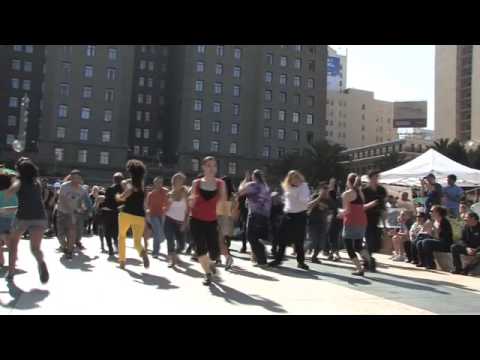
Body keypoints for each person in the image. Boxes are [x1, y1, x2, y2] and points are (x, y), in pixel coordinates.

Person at [4, 158, 49, 283]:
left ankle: (11, 272)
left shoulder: (19, 182)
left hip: (22, 218)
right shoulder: (37, 182)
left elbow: (9, 193)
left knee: (13, 245)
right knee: (35, 248)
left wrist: (13, 181)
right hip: (39, 216)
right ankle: (41, 262)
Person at [189, 157, 226, 285]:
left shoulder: (221, 183)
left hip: (212, 221)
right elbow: (192, 201)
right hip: (196, 220)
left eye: (214, 166)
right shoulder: (196, 183)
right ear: (203, 167)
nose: (211, 168)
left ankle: (210, 264)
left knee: (215, 252)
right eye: (208, 165)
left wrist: (223, 223)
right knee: (201, 249)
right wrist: (190, 201)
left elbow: (223, 203)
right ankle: (207, 274)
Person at [269, 170, 311, 270]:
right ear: (290, 180)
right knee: (281, 238)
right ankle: (278, 259)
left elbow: (304, 200)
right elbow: (287, 200)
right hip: (288, 214)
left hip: (300, 214)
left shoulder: (304, 186)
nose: (295, 180)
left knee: (299, 240)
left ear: (299, 177)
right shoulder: (287, 186)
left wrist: (297, 191)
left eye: (296, 178)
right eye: (292, 179)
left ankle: (301, 262)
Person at [340, 173, 378, 276]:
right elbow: (361, 207)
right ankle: (370, 260)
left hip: (351, 222)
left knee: (349, 246)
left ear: (348, 181)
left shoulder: (346, 194)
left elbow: (346, 211)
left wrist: (339, 213)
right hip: (362, 222)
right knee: (358, 246)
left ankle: (359, 269)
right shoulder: (360, 193)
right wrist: (371, 204)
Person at [116, 160, 150, 270]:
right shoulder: (142, 187)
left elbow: (122, 198)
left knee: (121, 237)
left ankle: (122, 261)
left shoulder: (130, 186)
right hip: (140, 216)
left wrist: (118, 196)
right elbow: (144, 203)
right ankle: (142, 253)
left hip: (126, 214)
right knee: (137, 242)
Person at [238, 170, 271, 268]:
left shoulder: (253, 185)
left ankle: (262, 261)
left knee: (251, 238)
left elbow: (240, 191)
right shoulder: (266, 187)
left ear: (253, 176)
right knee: (256, 238)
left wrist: (245, 179)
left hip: (254, 215)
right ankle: (261, 259)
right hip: (265, 216)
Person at [56, 170, 90, 259]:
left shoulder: (82, 190)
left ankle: (70, 250)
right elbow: (62, 200)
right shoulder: (64, 186)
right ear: (70, 177)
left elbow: (81, 202)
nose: (75, 180)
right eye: (73, 177)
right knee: (60, 234)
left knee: (72, 231)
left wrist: (82, 209)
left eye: (77, 178)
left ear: (80, 179)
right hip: (62, 212)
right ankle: (64, 246)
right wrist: (70, 210)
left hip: (73, 213)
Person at [163, 173, 189, 268]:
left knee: (182, 245)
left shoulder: (186, 193)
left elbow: (188, 209)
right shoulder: (169, 194)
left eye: (180, 180)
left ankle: (175, 255)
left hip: (181, 221)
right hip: (169, 219)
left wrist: (185, 222)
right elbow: (165, 209)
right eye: (176, 180)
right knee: (170, 239)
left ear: (183, 182)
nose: (178, 181)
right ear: (173, 181)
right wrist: (167, 205)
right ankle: (171, 259)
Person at [416, 205, 453, 270]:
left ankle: (431, 264)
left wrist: (433, 233)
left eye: (432, 211)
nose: (430, 213)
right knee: (419, 242)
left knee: (426, 242)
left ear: (438, 212)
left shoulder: (444, 222)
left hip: (445, 243)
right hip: (438, 240)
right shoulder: (435, 221)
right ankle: (423, 262)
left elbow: (440, 236)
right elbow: (433, 235)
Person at [307, 183, 336, 263]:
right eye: (324, 190)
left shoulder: (329, 200)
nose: (326, 193)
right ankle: (302, 253)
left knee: (321, 243)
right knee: (313, 241)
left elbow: (332, 211)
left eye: (327, 191)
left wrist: (328, 222)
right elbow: (308, 206)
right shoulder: (315, 196)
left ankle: (314, 257)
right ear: (320, 190)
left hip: (323, 224)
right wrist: (319, 198)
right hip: (313, 222)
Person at [362, 170, 387, 255]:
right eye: (374, 177)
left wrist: (385, 224)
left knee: (377, 243)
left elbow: (383, 206)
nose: (376, 179)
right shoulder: (364, 190)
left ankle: (368, 257)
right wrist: (370, 205)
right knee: (369, 239)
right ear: (369, 178)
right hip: (366, 217)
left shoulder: (381, 190)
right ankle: (368, 259)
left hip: (378, 218)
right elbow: (361, 206)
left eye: (377, 177)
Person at [101, 173, 124, 256]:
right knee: (115, 231)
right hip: (118, 213)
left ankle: (110, 248)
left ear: (113, 179)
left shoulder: (110, 189)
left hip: (108, 212)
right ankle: (115, 244)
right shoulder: (124, 190)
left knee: (107, 231)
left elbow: (106, 202)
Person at [216, 176, 235, 269]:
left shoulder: (220, 194)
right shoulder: (232, 196)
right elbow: (234, 210)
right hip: (227, 220)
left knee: (219, 241)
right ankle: (219, 258)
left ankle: (227, 258)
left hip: (220, 218)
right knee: (219, 241)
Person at [146, 176, 169, 258]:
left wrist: (166, 209)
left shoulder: (165, 191)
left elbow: (168, 202)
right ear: (154, 183)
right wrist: (147, 212)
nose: (159, 184)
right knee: (157, 232)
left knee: (157, 233)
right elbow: (147, 205)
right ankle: (155, 251)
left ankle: (157, 248)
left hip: (162, 215)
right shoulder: (150, 194)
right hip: (152, 215)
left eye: (161, 182)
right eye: (157, 182)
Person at [0, 172, 18, 268]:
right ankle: (13, 258)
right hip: (12, 219)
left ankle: (1, 260)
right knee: (8, 240)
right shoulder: (13, 193)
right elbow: (18, 206)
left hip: (2, 218)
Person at [269, 188, 284, 258]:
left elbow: (282, 214)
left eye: (277, 197)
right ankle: (273, 250)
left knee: (277, 238)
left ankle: (275, 251)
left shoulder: (281, 205)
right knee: (274, 237)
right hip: (271, 223)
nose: (276, 198)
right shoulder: (269, 206)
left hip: (278, 223)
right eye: (274, 197)